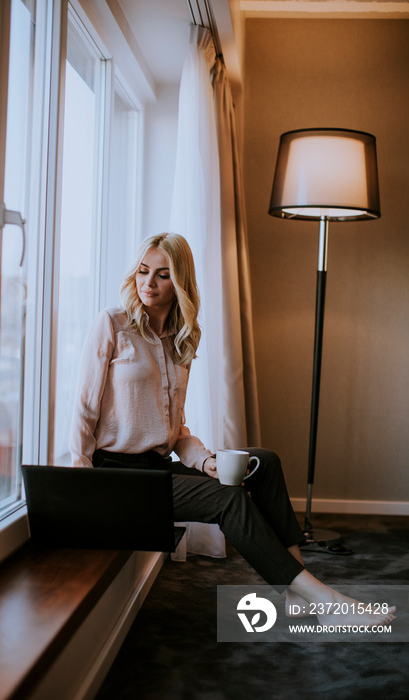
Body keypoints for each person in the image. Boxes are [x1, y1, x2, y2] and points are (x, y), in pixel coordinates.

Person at [69, 233, 395, 627]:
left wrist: (205, 461)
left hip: (155, 468)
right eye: (143, 271)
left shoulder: (180, 340)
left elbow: (176, 430)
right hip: (117, 476)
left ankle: (297, 591)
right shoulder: (113, 324)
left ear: (181, 284)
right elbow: (84, 409)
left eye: (162, 275)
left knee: (265, 462)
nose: (148, 283)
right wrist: (83, 485)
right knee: (229, 500)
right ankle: (322, 600)